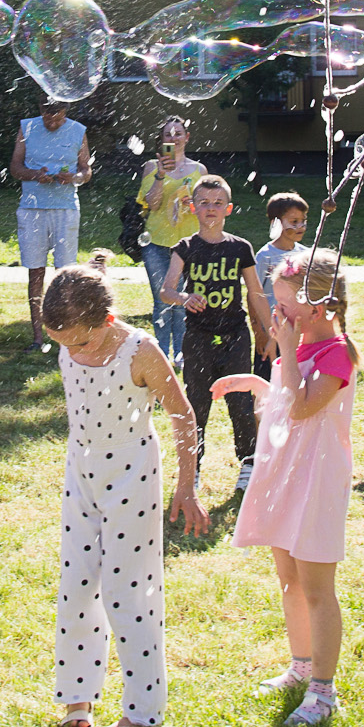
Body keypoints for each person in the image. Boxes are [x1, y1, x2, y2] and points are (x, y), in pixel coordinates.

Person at [41, 252, 209, 727]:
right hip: (82, 471)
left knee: (127, 592)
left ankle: (142, 711)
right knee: (76, 584)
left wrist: (186, 485)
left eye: (84, 341)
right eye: (64, 345)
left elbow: (183, 415)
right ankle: (77, 695)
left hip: (132, 474)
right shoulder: (70, 336)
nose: (77, 352)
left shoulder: (140, 351)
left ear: (108, 321)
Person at [214, 247, 360, 727]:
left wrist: (284, 353)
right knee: (290, 581)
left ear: (317, 308)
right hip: (285, 477)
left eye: (284, 305)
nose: (276, 313)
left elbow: (302, 408)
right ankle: (300, 668)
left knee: (317, 589)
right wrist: (257, 384)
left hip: (316, 483)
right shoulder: (298, 348)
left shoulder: (337, 355)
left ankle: (323, 689)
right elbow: (283, 402)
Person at [159, 175, 273, 491]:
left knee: (240, 400)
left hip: (235, 335)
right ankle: (191, 468)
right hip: (198, 337)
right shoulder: (185, 248)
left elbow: (256, 293)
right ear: (193, 207)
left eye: (218, 203)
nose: (211, 208)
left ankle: (249, 461)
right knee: (196, 402)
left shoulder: (240, 248)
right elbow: (166, 290)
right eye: (205, 203)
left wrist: (270, 332)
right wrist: (183, 297)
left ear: (229, 209)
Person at [11, 100, 91, 350]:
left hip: (65, 208)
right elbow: (14, 167)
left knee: (65, 275)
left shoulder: (78, 130)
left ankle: (65, 335)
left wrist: (74, 178)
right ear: (41, 110)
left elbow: (86, 171)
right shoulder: (27, 128)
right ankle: (37, 337)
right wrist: (35, 175)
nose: (52, 122)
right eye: (48, 116)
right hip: (32, 208)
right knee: (35, 272)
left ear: (65, 112)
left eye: (57, 117)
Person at [135, 117, 205, 365]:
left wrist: (193, 205)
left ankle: (183, 353)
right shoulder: (152, 166)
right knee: (162, 300)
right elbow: (152, 204)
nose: (173, 138)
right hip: (157, 243)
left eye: (178, 133)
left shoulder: (200, 171)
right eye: (168, 134)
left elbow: (205, 209)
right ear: (161, 140)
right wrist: (161, 176)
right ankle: (162, 355)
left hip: (188, 245)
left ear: (187, 138)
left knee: (184, 300)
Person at [255, 192, 308, 386]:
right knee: (267, 383)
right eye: (294, 221)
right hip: (271, 333)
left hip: (298, 331)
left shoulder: (305, 255)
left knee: (293, 381)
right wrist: (259, 333)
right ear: (276, 223)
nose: (300, 226)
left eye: (303, 221)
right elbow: (254, 294)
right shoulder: (264, 256)